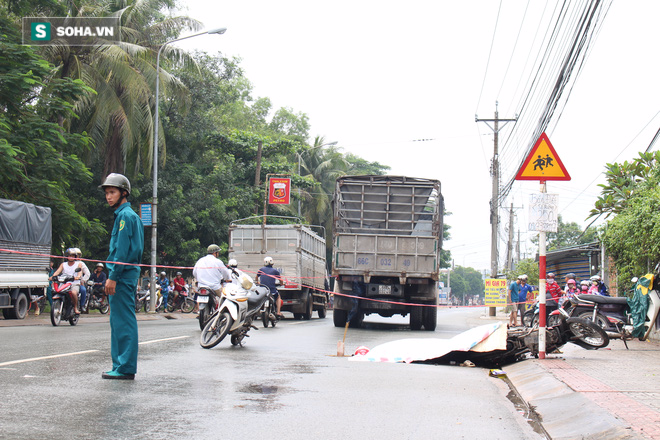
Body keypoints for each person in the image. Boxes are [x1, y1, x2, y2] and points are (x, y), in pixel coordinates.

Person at [100, 173, 144, 380]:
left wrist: (113, 276)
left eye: (112, 192)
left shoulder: (126, 217)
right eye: (107, 193)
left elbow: (122, 251)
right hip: (123, 274)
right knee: (117, 321)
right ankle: (119, 364)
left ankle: (125, 367)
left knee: (124, 321)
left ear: (123, 193)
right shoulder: (123, 216)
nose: (108, 197)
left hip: (123, 275)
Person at [51, 248, 86, 314]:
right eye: (69, 255)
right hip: (64, 283)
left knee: (73, 293)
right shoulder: (63, 264)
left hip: (74, 283)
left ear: (75, 257)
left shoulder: (78, 264)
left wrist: (78, 276)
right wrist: (52, 277)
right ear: (67, 256)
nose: (71, 257)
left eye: (72, 256)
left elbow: (80, 272)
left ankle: (75, 307)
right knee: (55, 291)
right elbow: (57, 272)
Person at [72, 248, 91, 313]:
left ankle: (82, 305)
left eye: (75, 255)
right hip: (67, 282)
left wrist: (82, 281)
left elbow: (87, 274)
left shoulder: (81, 263)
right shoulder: (65, 263)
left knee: (83, 290)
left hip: (77, 282)